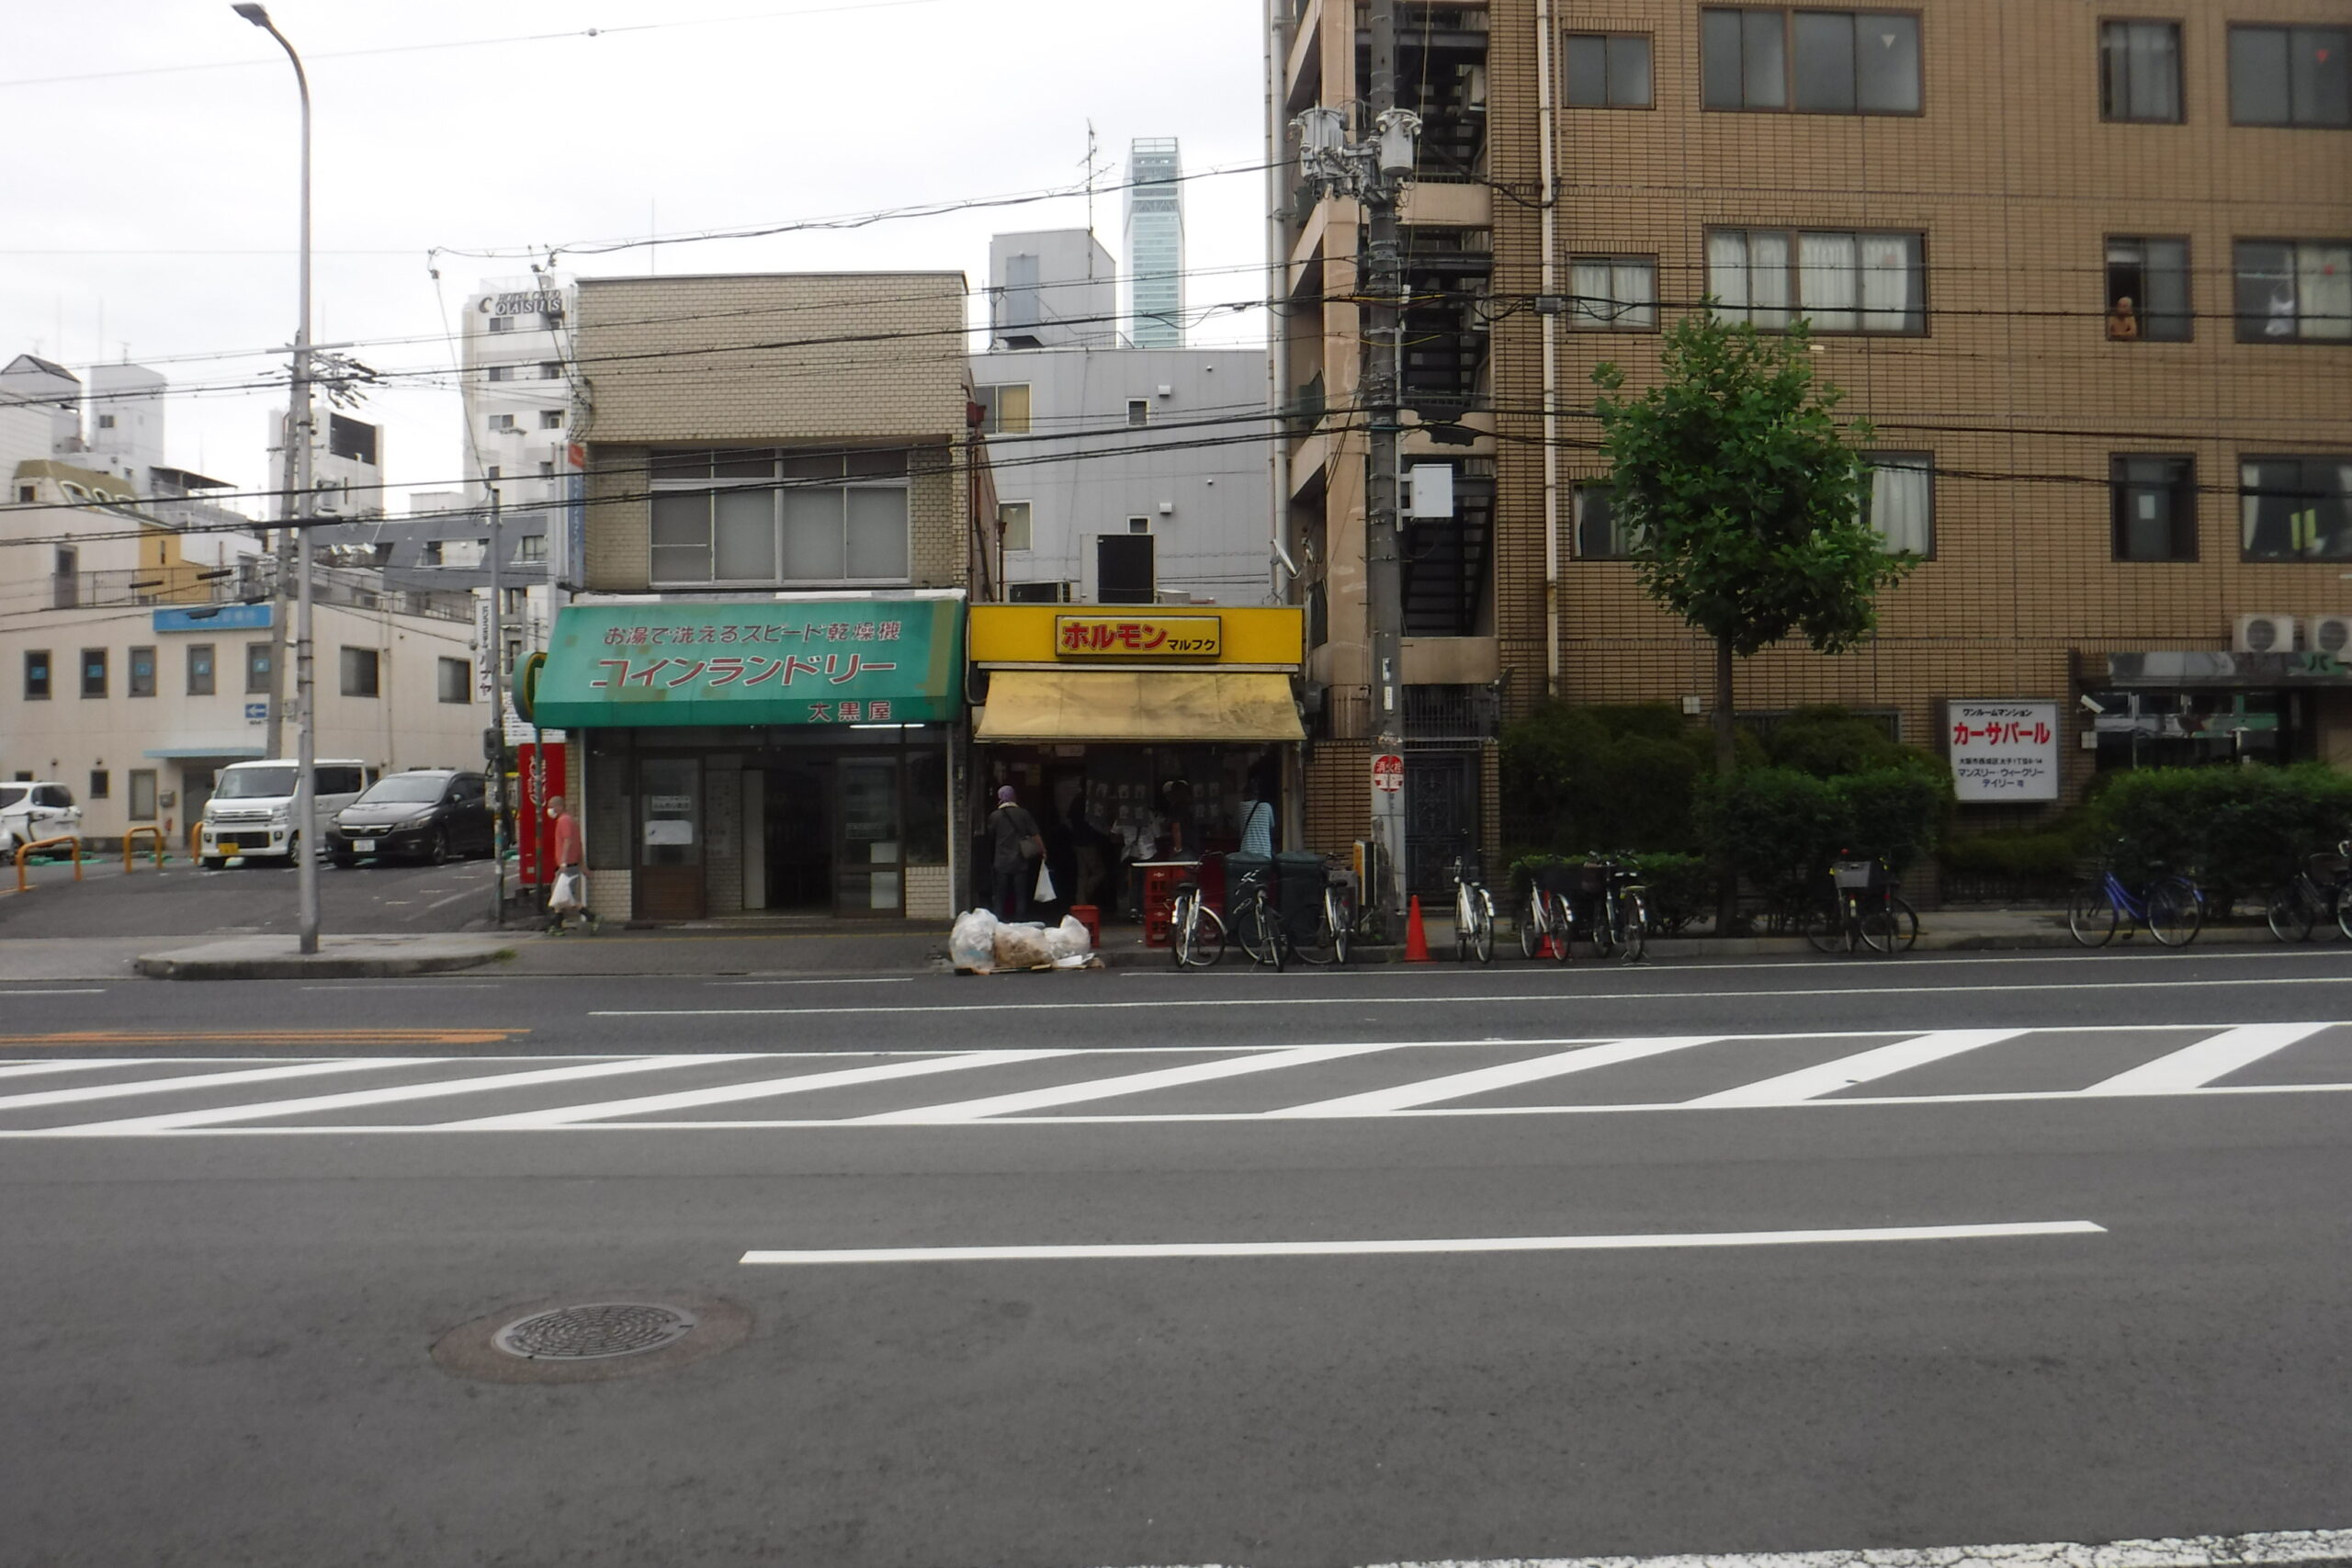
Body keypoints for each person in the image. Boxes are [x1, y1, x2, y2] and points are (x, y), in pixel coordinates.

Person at [543, 795, 598, 935]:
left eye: (552, 807)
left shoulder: (564, 821)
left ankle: (592, 917)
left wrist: (563, 862)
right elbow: (578, 844)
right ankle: (557, 926)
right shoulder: (570, 821)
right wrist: (582, 866)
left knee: (565, 898)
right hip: (571, 865)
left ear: (560, 806)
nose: (550, 810)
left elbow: (568, 841)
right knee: (559, 897)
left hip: (567, 866)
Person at [988, 784, 1043, 922]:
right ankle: (1020, 920)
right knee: (1021, 894)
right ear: (1014, 797)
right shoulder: (1024, 814)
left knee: (1000, 894)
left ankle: (999, 920)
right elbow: (1035, 834)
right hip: (1020, 859)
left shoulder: (995, 816)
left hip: (1001, 861)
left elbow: (991, 836)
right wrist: (1043, 850)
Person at [1238, 776, 1275, 858]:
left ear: (1247, 794)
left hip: (1246, 851)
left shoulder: (1241, 807)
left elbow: (1238, 827)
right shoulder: (1267, 807)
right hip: (1264, 852)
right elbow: (1272, 826)